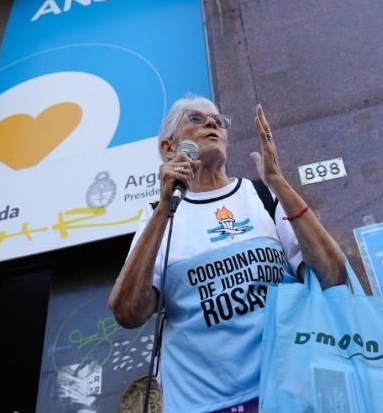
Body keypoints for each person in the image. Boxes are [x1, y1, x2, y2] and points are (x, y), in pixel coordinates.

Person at [108, 94, 347, 412]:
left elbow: (333, 275)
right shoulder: (160, 215)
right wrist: (165, 207)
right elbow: (127, 313)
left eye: (219, 121)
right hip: (207, 404)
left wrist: (278, 183)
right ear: (168, 148)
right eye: (195, 118)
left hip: (295, 390)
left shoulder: (260, 195)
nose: (211, 123)